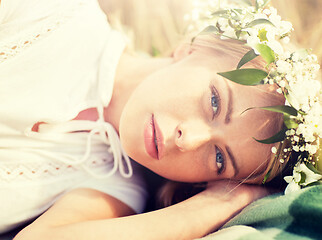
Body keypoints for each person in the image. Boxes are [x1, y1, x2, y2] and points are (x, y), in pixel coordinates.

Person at [0, 0, 320, 239]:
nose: (188, 139)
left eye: (220, 158)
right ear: (192, 47)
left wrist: (220, 204)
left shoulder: (115, 189)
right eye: (214, 101)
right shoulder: (55, 16)